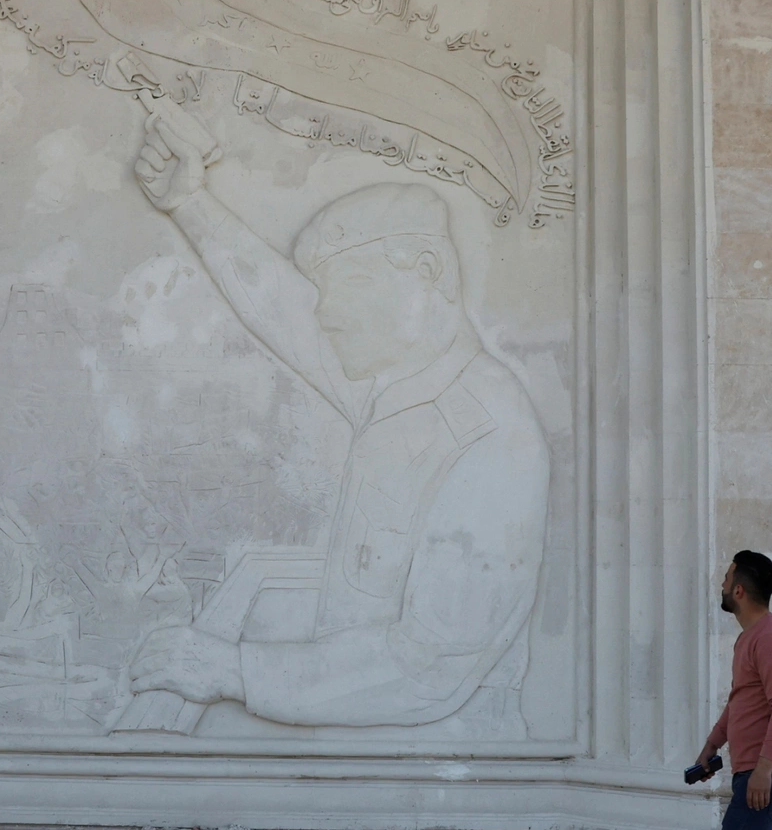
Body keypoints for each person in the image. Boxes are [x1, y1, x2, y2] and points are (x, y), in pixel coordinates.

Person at [122, 114, 551, 731]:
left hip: (436, 769)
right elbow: (284, 307)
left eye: (345, 283)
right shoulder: (402, 384)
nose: (324, 311)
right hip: (361, 732)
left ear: (426, 273)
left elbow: (427, 667)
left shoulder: (491, 435)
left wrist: (234, 670)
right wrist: (190, 203)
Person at [697, 551, 772, 830]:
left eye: (725, 578)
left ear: (738, 590)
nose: (721, 585)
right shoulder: (751, 637)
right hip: (762, 773)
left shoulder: (770, 640)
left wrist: (764, 769)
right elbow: (739, 701)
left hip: (769, 775)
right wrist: (712, 746)